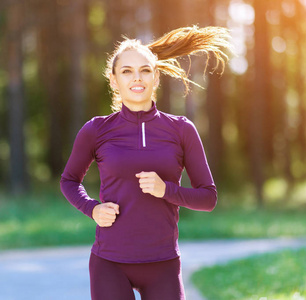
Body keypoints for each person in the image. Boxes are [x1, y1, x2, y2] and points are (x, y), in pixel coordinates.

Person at [60, 26, 231, 300]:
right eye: (126, 71)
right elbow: (69, 180)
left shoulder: (181, 129)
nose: (136, 78)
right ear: (114, 80)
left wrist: (167, 191)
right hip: (109, 262)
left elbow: (208, 198)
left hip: (163, 262)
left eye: (145, 70)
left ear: (156, 77)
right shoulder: (96, 130)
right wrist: (91, 208)